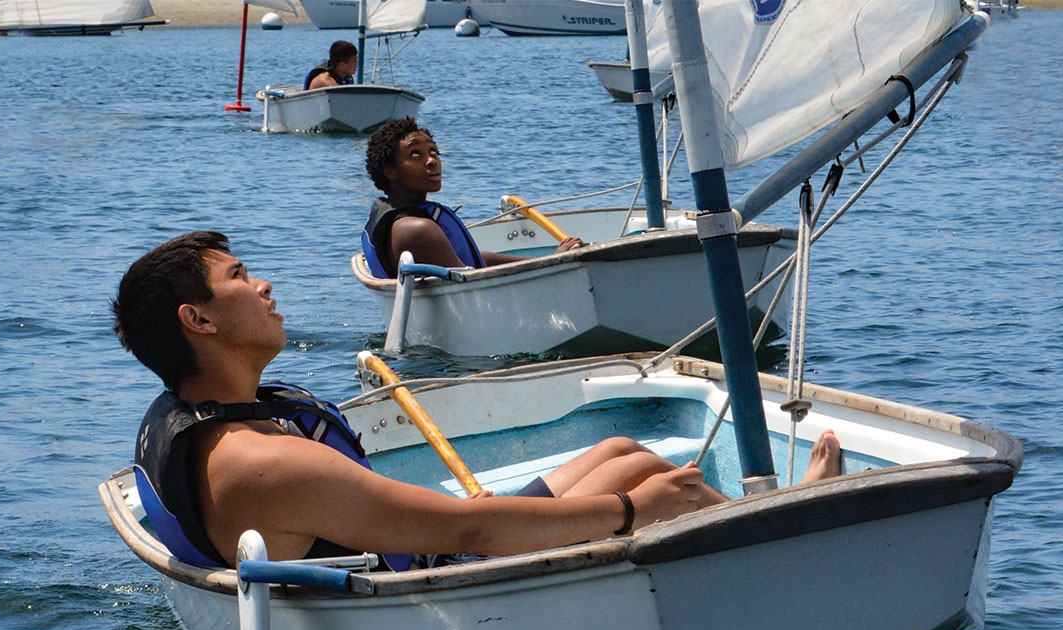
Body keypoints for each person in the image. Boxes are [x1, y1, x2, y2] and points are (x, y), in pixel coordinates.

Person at [113, 232, 827, 571]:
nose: (264, 285)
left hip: (432, 542)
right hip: (445, 569)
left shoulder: (229, 416)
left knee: (620, 451)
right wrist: (639, 512)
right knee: (656, 486)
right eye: (240, 277)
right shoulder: (256, 464)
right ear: (198, 322)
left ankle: (748, 520)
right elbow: (471, 534)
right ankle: (782, 534)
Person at [362, 116, 585, 279]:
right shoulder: (417, 229)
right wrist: (555, 265)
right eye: (416, 154)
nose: (431, 160)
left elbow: (478, 260)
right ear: (390, 171)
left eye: (434, 151)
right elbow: (471, 281)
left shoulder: (407, 217)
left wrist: (549, 259)